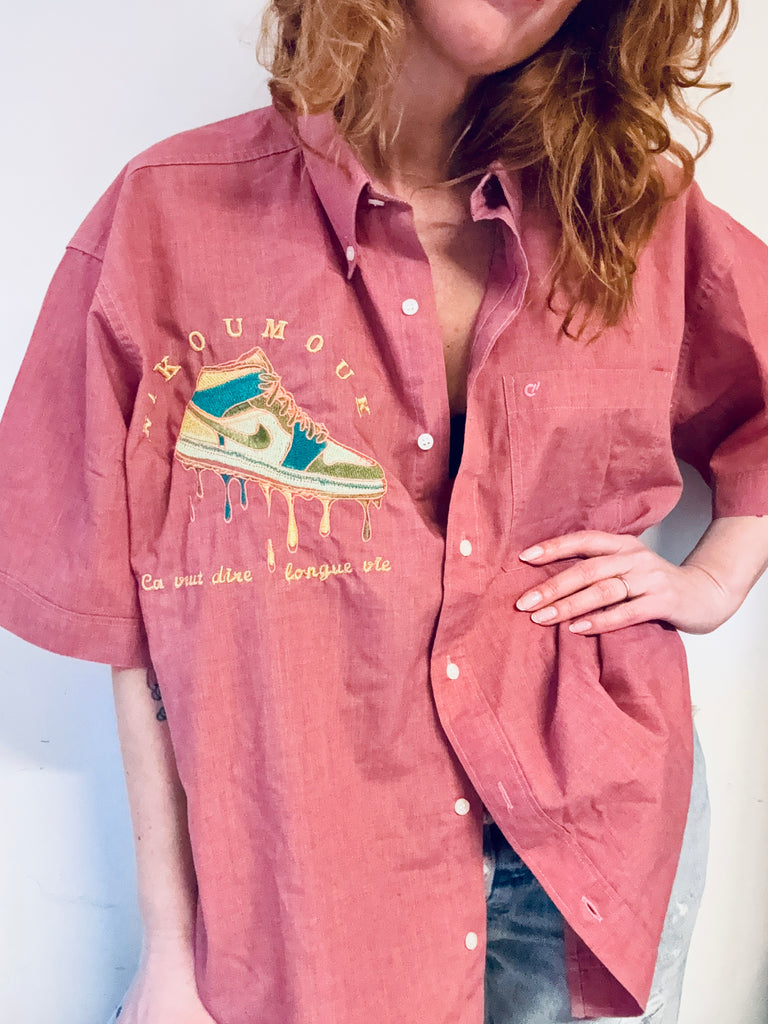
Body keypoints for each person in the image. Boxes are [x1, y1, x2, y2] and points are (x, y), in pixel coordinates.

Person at [1, 0, 767, 1022]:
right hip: (323, 879)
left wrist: (715, 578)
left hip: (596, 848)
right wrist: (171, 949)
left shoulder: (631, 207)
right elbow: (131, 620)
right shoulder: (170, 217)